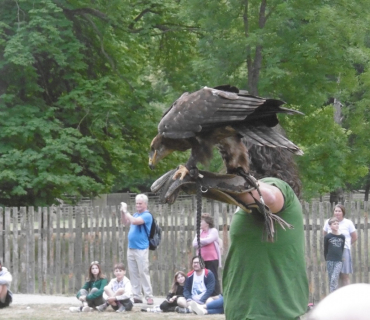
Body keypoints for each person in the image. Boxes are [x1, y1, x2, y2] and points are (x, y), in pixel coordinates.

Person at [121, 194, 154, 305]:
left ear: (145, 204)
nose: (138, 205)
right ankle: (137, 296)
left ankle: (149, 296)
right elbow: (125, 222)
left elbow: (134, 221)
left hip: (141, 248)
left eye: (140, 203)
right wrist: (122, 212)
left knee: (143, 272)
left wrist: (126, 211)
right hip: (131, 248)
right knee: (133, 273)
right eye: (136, 203)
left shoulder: (147, 215)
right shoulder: (134, 214)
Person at [323, 204, 357, 287]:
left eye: (339, 211)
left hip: (344, 250)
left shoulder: (348, 223)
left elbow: (354, 237)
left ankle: (347, 295)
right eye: (335, 211)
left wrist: (344, 246)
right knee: (333, 276)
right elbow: (325, 235)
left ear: (343, 212)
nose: (337, 213)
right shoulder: (328, 222)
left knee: (344, 275)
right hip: (332, 252)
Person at [192, 213, 222, 295]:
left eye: (201, 222)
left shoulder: (213, 231)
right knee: (202, 277)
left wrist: (200, 241)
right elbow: (194, 244)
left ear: (207, 223)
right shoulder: (199, 232)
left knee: (213, 277)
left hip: (212, 259)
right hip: (201, 259)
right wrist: (203, 240)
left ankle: (216, 295)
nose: (200, 223)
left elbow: (209, 240)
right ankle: (204, 294)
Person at [324, 217, 345, 292]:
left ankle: (334, 297)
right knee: (331, 280)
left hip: (338, 261)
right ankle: (331, 296)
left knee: (334, 278)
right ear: (330, 226)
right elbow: (325, 249)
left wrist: (340, 258)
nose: (336, 225)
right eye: (334, 224)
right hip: (330, 260)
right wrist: (326, 259)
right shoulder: (328, 237)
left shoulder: (342, 237)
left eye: (337, 224)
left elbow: (342, 248)